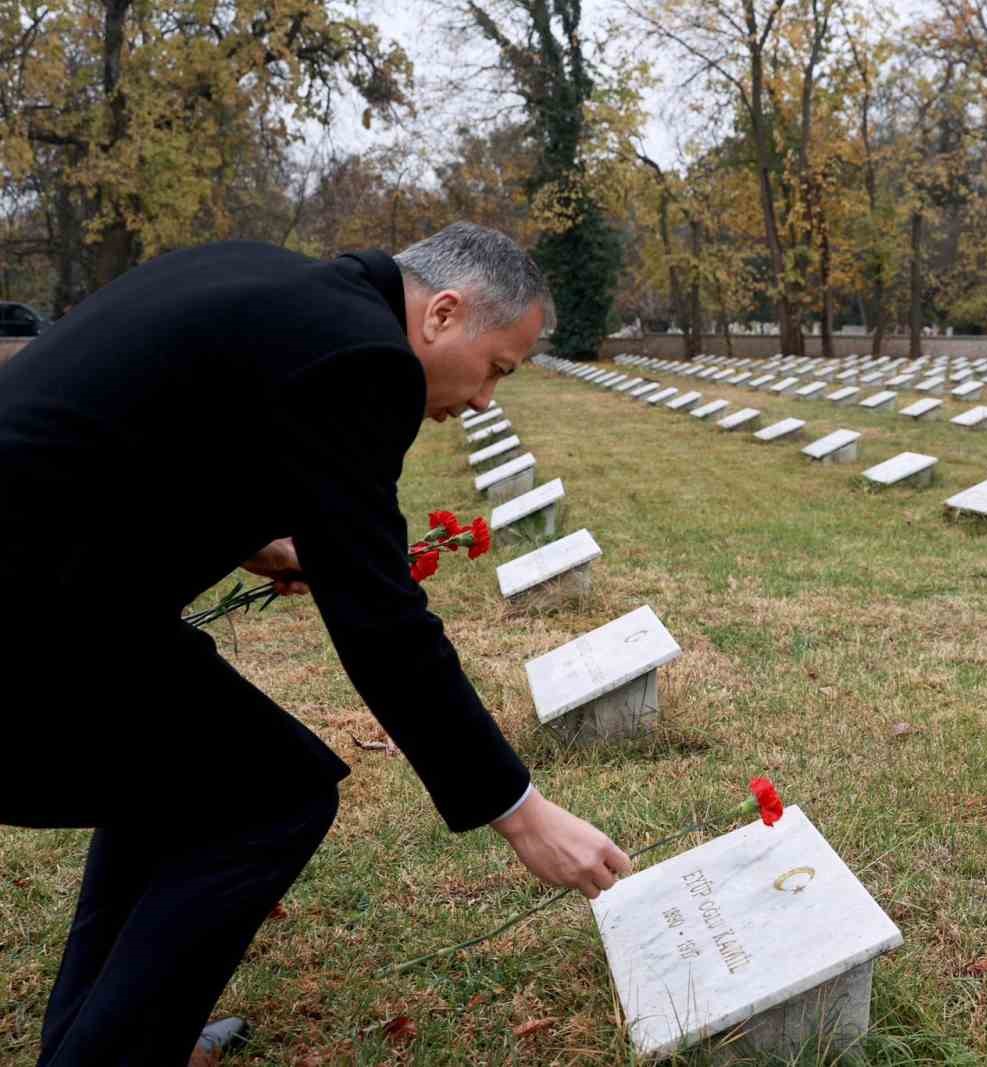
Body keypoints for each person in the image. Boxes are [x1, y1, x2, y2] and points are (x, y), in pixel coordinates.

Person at [0, 222, 631, 1066]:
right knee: (273, 793)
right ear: (441, 314)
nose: (485, 400)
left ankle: (102, 1032)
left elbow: (135, 442)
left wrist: (252, 542)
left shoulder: (265, 275)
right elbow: (383, 624)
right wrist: (520, 812)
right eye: (497, 370)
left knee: (187, 774)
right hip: (31, 630)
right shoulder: (362, 358)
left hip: (57, 601)